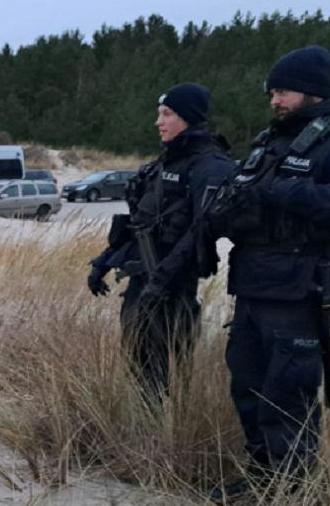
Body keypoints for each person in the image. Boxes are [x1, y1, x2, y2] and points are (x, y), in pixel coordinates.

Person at [205, 46, 330, 500]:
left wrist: (279, 193)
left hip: (304, 289)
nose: (276, 99)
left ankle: (289, 497)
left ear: (313, 91)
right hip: (255, 285)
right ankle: (260, 479)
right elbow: (246, 194)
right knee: (248, 385)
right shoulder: (271, 140)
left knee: (287, 395)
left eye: (285, 91)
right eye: (272, 91)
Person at [87, 83, 235, 397]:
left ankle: (164, 437)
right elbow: (138, 226)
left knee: (164, 372)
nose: (159, 122)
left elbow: (202, 229)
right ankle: (144, 430)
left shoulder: (210, 166)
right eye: (159, 114)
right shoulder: (163, 164)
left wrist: (161, 280)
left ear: (189, 119)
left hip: (174, 290)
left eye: (167, 114)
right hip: (143, 282)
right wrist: (102, 262)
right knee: (137, 363)